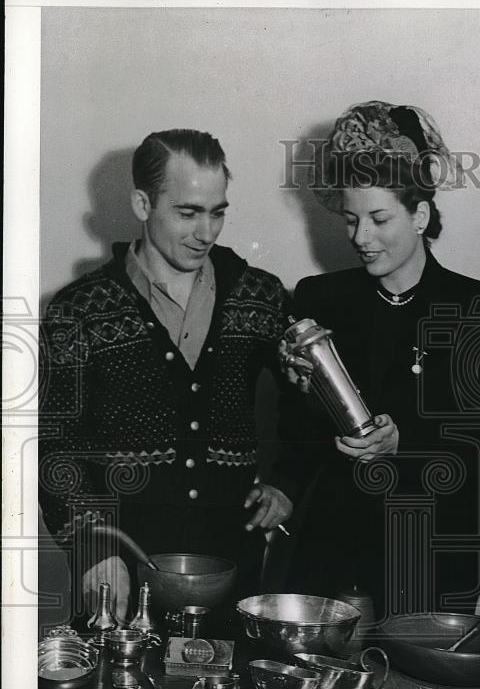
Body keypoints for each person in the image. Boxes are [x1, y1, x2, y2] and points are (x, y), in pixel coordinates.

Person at [273, 102, 480, 617]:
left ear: (421, 215)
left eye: (380, 219)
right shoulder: (320, 300)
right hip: (332, 553)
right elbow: (296, 435)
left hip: (435, 558)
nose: (361, 238)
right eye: (351, 219)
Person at [39, 129, 294, 620]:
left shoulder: (260, 296)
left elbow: (312, 402)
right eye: (187, 212)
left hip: (234, 574)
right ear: (142, 203)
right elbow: (54, 444)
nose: (207, 232)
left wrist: (287, 483)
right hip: (120, 568)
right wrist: (93, 547)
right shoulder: (78, 309)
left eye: (217, 211)